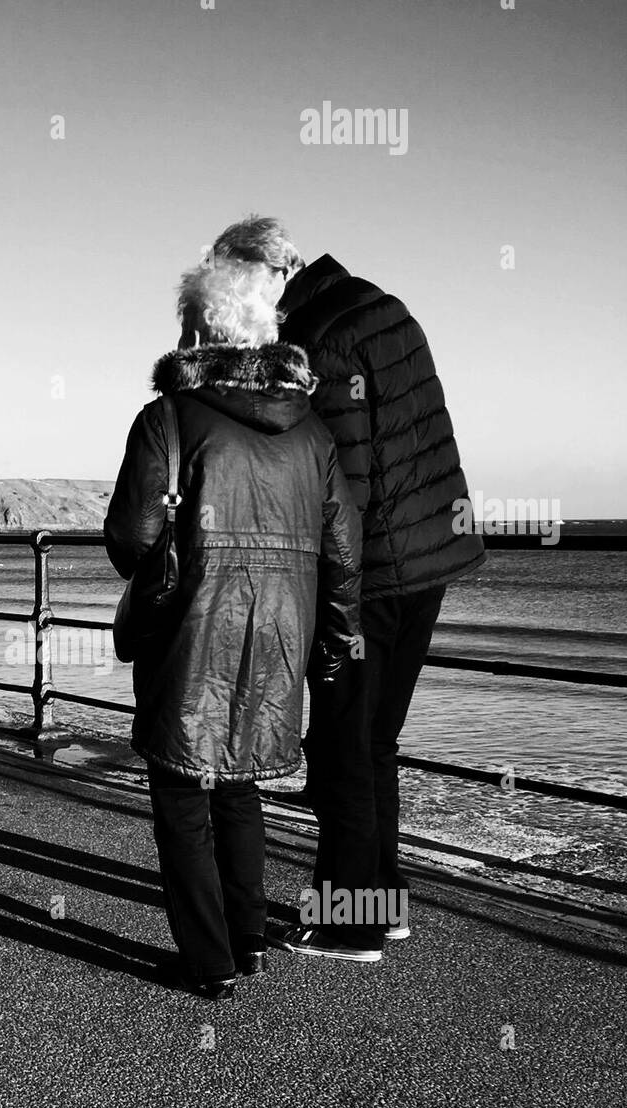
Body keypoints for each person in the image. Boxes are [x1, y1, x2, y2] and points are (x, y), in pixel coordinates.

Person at [196, 217, 486, 960]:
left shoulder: (321, 341)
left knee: (342, 750)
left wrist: (328, 597)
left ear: (263, 279)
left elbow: (345, 488)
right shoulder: (384, 307)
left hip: (375, 574)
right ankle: (382, 905)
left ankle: (350, 924)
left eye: (235, 288)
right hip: (429, 564)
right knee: (375, 742)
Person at [105, 254, 362, 997]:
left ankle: (208, 959)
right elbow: (344, 552)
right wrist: (340, 640)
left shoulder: (166, 419)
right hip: (279, 636)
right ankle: (247, 939)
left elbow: (130, 538)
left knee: (183, 793)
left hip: (190, 632)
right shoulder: (311, 432)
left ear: (198, 328)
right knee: (240, 782)